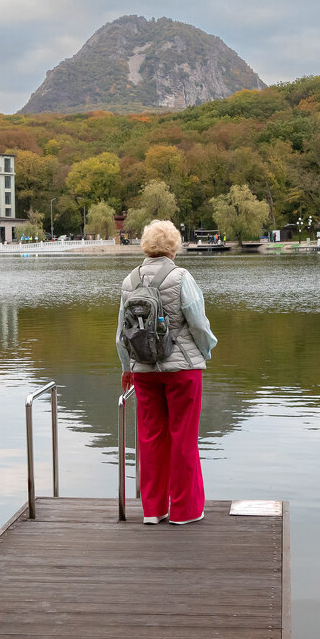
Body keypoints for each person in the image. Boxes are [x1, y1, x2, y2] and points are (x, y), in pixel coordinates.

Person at [116, 219, 216, 525]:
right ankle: (185, 511)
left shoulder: (129, 281)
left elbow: (121, 333)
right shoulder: (181, 276)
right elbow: (198, 323)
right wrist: (206, 350)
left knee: (150, 438)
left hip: (143, 369)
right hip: (182, 370)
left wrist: (126, 368)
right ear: (173, 245)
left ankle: (153, 510)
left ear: (146, 245)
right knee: (183, 437)